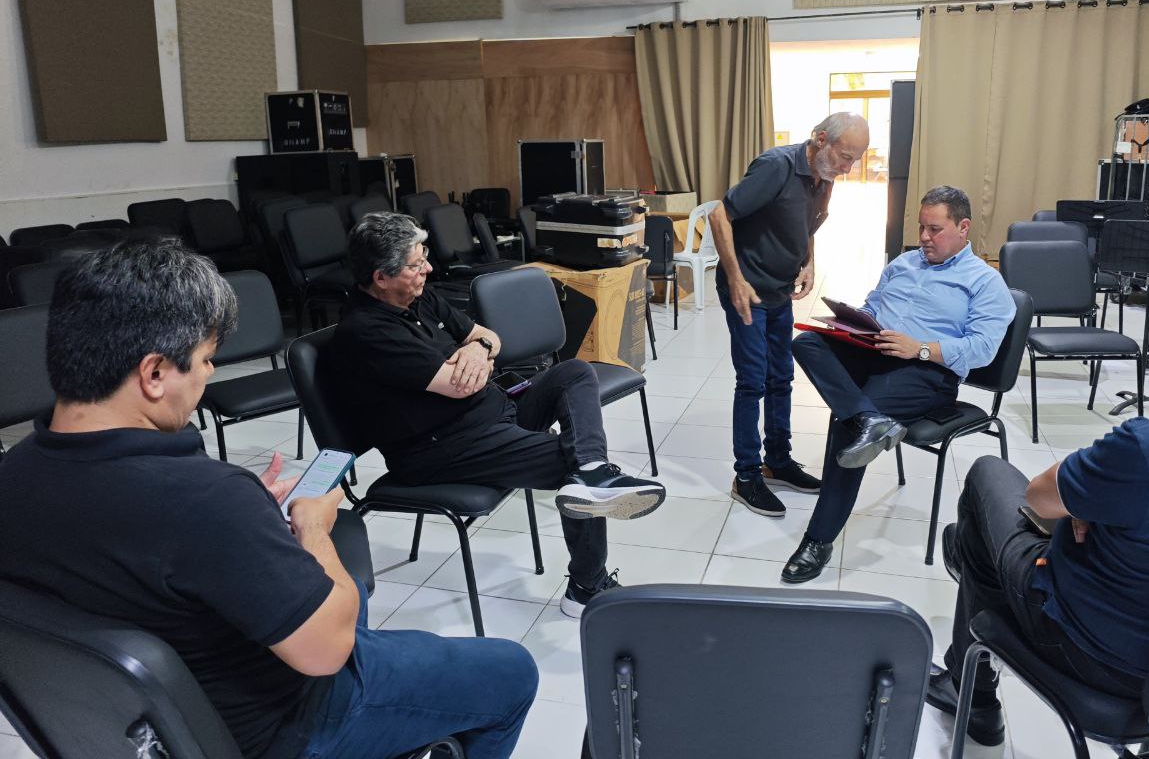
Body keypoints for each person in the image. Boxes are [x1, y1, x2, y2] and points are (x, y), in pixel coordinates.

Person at [0, 238, 539, 759]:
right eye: (206, 360)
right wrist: (312, 528)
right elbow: (326, 651)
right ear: (156, 372)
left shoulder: (15, 474)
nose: (209, 374)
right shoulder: (205, 499)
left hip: (141, 726)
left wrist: (242, 520)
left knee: (355, 590)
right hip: (285, 726)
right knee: (512, 671)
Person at [928, 248, 1149, 749]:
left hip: (1102, 660)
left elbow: (1039, 498)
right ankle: (971, 564)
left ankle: (973, 690)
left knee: (987, 480)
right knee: (980, 537)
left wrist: (1092, 502)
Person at [324, 212, 667, 618]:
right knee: (567, 463)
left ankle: (593, 471)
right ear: (381, 277)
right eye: (416, 265)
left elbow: (489, 338)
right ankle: (586, 586)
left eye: (424, 257)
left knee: (574, 372)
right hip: (441, 450)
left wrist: (478, 349)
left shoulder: (420, 297)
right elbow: (461, 386)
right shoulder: (367, 331)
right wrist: (479, 352)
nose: (427, 269)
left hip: (491, 414)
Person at [780, 185, 1015, 584]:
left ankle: (818, 540)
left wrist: (919, 348)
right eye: (921, 227)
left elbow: (982, 350)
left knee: (846, 424)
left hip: (928, 372)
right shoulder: (903, 264)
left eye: (935, 229)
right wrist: (854, 322)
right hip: (877, 350)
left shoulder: (985, 282)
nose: (924, 237)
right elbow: (874, 306)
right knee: (807, 343)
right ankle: (870, 419)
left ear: (963, 228)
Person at [709, 112, 870, 518]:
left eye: (855, 160)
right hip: (747, 290)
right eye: (846, 157)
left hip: (780, 290)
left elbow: (807, 226)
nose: (848, 168)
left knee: (781, 378)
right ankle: (746, 476)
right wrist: (735, 279)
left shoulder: (824, 176)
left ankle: (777, 461)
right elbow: (719, 215)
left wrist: (809, 261)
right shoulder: (776, 167)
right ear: (821, 139)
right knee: (753, 380)